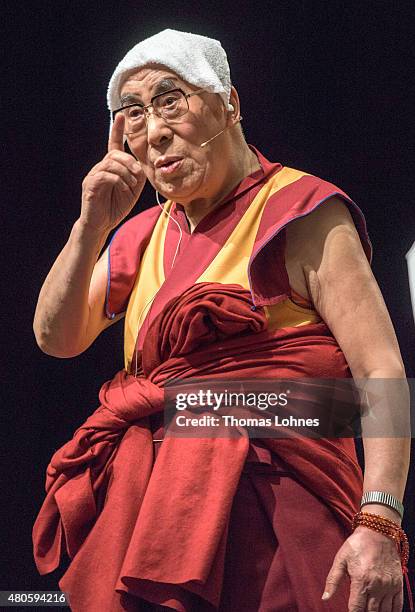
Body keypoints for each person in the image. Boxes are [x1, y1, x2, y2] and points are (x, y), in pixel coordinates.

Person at [32, 29, 411, 612]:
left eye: (169, 100)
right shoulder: (143, 235)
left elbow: (375, 373)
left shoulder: (300, 211)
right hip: (153, 512)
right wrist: (91, 227)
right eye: (132, 115)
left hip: (277, 518)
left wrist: (380, 519)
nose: (154, 131)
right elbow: (55, 339)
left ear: (229, 103)